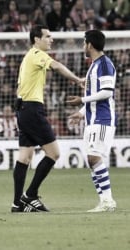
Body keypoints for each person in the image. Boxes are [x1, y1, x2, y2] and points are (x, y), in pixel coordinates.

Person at [12, 25, 85, 213]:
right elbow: (57, 66)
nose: (51, 39)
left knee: (25, 157)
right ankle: (30, 195)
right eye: (47, 36)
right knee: (54, 153)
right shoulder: (36, 53)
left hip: (22, 109)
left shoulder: (28, 57)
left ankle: (17, 203)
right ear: (36, 39)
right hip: (32, 109)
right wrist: (77, 80)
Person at [67, 30, 117, 212]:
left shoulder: (104, 64)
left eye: (83, 43)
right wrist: (82, 111)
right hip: (92, 119)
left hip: (102, 119)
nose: (83, 46)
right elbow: (93, 94)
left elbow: (107, 92)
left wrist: (82, 100)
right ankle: (104, 201)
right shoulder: (94, 65)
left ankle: (108, 201)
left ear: (90, 44)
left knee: (95, 158)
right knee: (91, 160)